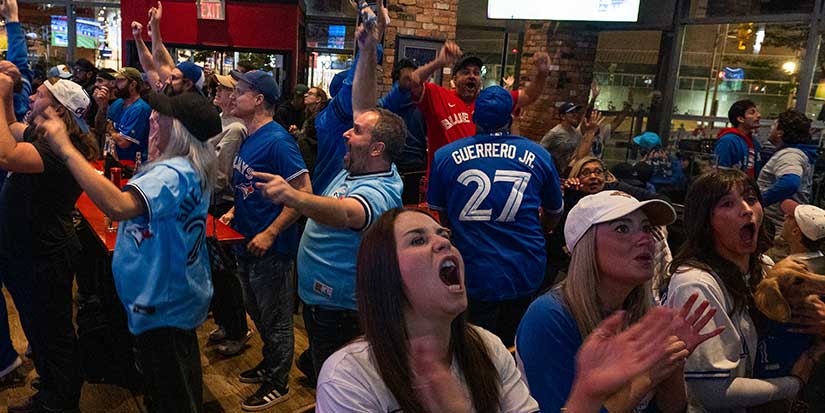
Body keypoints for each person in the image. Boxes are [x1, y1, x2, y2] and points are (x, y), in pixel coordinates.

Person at [316, 207, 688, 413]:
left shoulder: (486, 347)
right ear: (384, 274)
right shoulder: (349, 376)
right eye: (418, 240)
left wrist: (586, 395)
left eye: (444, 236)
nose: (443, 243)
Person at [40, 90, 220, 413]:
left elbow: (118, 206)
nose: (153, 118)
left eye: (161, 116)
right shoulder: (192, 165)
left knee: (170, 393)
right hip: (174, 295)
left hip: (162, 303)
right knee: (176, 379)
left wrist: (66, 150)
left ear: (178, 129)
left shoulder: (173, 174)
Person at [253, 2, 403, 385]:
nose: (345, 134)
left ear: (375, 148)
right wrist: (368, 48)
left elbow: (349, 214)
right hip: (325, 304)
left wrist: (293, 196)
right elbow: (364, 104)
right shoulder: (357, 165)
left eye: (356, 133)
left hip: (344, 312)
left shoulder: (381, 188)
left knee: (342, 390)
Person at [517, 190, 721, 413]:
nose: (645, 238)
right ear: (587, 246)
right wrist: (649, 375)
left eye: (646, 228)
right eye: (622, 229)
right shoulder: (548, 317)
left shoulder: (640, 312)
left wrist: (672, 363)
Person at [662, 169, 821, 412]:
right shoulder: (695, 284)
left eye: (751, 199)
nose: (747, 209)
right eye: (727, 203)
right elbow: (714, 393)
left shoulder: (765, 267)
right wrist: (793, 383)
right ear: (705, 220)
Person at [427, 85, 563, 346]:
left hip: (472, 266)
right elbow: (554, 212)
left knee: (473, 344)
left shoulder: (445, 156)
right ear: (511, 118)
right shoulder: (539, 154)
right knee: (513, 342)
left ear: (474, 117)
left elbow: (442, 214)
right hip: (525, 265)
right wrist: (542, 230)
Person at [0, 74, 98, 412]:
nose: (31, 98)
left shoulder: (60, 148)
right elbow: (10, 125)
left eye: (38, 95)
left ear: (56, 108)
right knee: (39, 326)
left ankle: (60, 401)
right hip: (29, 249)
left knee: (51, 329)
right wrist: (7, 93)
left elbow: (7, 156)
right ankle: (54, 380)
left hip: (45, 253)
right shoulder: (45, 136)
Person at [219, 69, 310, 410]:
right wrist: (235, 213)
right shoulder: (251, 135)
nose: (232, 96)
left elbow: (304, 193)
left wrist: (271, 232)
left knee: (276, 319)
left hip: (272, 248)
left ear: (258, 99)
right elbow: (251, 186)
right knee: (258, 313)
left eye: (239, 91)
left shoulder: (278, 140)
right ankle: (270, 363)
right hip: (247, 241)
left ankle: (278, 381)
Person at [408, 41, 550, 171]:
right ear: (455, 79)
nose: (472, 76)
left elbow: (528, 96)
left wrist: (542, 74)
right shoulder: (438, 95)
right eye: (465, 72)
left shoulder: (491, 100)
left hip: (481, 179)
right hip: (444, 179)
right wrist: (439, 62)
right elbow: (413, 81)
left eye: (476, 73)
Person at [205, 73, 249, 357]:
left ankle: (237, 329)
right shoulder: (220, 121)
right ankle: (225, 322)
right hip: (211, 202)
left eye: (223, 88)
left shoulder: (235, 128)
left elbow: (221, 176)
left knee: (225, 272)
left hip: (221, 204)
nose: (216, 90)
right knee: (216, 270)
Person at [132, 5, 206, 161]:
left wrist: (155, 28)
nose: (167, 80)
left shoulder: (186, 107)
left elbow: (161, 62)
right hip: (157, 164)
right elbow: (151, 67)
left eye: (174, 78)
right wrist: (138, 39)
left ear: (188, 85)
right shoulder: (169, 94)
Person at [757, 110, 817, 231]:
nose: (770, 128)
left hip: (778, 228)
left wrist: (759, 201)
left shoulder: (790, 155)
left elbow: (789, 183)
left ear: (780, 132)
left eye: (774, 126)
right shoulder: (797, 153)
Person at [385, 58, 427, 204]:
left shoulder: (422, 105)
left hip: (401, 167)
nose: (410, 83)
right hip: (406, 166)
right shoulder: (390, 103)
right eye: (407, 79)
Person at [101, 67, 152, 162]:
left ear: (133, 84)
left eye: (121, 80)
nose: (115, 84)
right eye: (116, 80)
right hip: (115, 160)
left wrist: (111, 131)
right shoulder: (117, 103)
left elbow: (124, 143)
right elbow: (101, 128)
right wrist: (103, 106)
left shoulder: (140, 109)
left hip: (133, 165)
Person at [715, 99, 761, 177]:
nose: (759, 115)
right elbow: (721, 173)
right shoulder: (728, 141)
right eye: (752, 113)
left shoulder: (754, 142)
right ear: (740, 119)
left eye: (757, 112)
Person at [293, 85, 328, 174]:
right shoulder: (309, 116)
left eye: (310, 93)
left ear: (318, 99)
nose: (305, 95)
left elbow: (313, 141)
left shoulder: (320, 118)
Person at [540, 102, 583, 174]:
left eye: (576, 112)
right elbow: (541, 151)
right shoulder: (555, 133)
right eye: (571, 112)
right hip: (552, 171)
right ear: (563, 116)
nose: (575, 115)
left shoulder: (576, 132)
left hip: (567, 172)